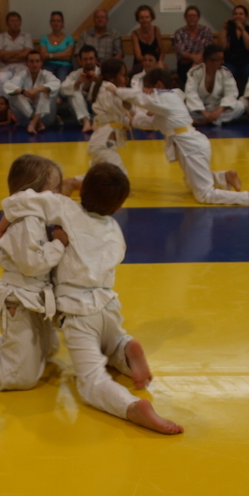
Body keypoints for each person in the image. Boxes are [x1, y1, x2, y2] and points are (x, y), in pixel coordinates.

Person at [40, 162, 181, 434]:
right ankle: (125, 347)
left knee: (91, 381)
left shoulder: (66, 209)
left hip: (78, 313)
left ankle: (131, 407)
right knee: (109, 345)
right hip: (109, 306)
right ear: (118, 208)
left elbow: (52, 197)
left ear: (83, 189)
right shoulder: (114, 229)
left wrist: (70, 186)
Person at [0, 154, 71, 391]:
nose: (58, 194)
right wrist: (58, 244)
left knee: (49, 348)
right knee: (20, 377)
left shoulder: (34, 217)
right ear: (35, 190)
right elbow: (32, 264)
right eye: (54, 188)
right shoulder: (26, 220)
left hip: (34, 298)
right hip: (18, 301)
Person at [118, 68, 249, 206]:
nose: (145, 92)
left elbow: (140, 99)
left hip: (190, 146)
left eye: (147, 89)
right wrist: (128, 117)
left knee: (204, 195)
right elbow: (147, 121)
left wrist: (116, 90)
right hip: (189, 144)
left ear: (158, 85)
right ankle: (223, 177)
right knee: (191, 183)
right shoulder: (165, 106)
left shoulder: (166, 96)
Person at [86, 58, 132, 166]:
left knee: (98, 175)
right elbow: (121, 106)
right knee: (118, 173)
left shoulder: (106, 87)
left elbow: (122, 111)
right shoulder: (109, 89)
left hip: (101, 144)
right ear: (112, 77)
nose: (126, 79)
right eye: (123, 75)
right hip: (104, 145)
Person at [184, 46, 246, 125]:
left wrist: (219, 110)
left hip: (217, 107)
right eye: (219, 59)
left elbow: (231, 93)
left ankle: (204, 121)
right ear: (209, 61)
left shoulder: (226, 72)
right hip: (199, 110)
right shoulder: (194, 72)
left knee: (240, 106)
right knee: (182, 108)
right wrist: (203, 112)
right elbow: (191, 93)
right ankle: (215, 120)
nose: (223, 62)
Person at [5, 50, 60, 134]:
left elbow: (56, 84)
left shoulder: (46, 74)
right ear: (26, 63)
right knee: (14, 94)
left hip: (45, 118)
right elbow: (7, 86)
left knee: (46, 92)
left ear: (41, 63)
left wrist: (36, 90)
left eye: (37, 61)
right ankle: (36, 122)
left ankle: (34, 123)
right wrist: (23, 92)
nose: (34, 64)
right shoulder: (22, 74)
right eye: (31, 61)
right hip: (25, 119)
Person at [60, 45, 102, 130]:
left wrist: (99, 81)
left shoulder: (102, 73)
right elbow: (62, 90)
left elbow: (112, 88)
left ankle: (97, 122)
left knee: (103, 91)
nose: (88, 62)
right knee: (74, 93)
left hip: (99, 113)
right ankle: (86, 121)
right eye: (85, 59)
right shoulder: (75, 74)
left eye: (91, 59)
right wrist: (77, 83)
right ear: (80, 60)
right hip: (80, 112)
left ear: (96, 59)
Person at [221, 4, 249, 89]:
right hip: (231, 62)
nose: (238, 16)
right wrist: (225, 29)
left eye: (241, 14)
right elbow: (223, 45)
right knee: (225, 72)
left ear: (246, 17)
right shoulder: (229, 30)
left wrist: (242, 30)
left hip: (248, 62)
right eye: (236, 14)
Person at [0, 11, 33, 97]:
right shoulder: (1, 37)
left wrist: (7, 55)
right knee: (2, 79)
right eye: (12, 21)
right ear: (7, 23)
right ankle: (3, 102)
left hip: (21, 67)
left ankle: (18, 104)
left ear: (20, 22)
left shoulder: (26, 36)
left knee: (20, 81)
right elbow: (0, 55)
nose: (15, 23)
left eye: (17, 21)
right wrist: (19, 51)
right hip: (4, 67)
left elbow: (26, 54)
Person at [172, 5, 214, 85]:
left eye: (194, 15)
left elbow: (209, 48)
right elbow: (181, 51)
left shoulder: (206, 30)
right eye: (189, 16)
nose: (192, 17)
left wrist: (198, 59)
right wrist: (194, 57)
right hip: (185, 63)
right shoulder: (179, 32)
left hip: (203, 61)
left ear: (198, 17)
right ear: (185, 18)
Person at [40, 11, 76, 81]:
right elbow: (43, 56)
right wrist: (62, 55)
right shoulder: (44, 39)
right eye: (53, 21)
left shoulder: (69, 39)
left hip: (64, 66)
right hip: (48, 65)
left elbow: (68, 56)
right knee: (47, 82)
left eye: (58, 21)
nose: (56, 23)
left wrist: (50, 55)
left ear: (62, 23)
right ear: (50, 23)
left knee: (61, 82)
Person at [130, 5, 163, 75]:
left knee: (164, 69)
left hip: (155, 61)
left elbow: (162, 51)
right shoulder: (134, 34)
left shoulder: (156, 30)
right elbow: (138, 57)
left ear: (151, 18)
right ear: (138, 20)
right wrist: (149, 62)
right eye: (141, 18)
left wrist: (159, 61)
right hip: (141, 63)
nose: (144, 20)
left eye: (147, 17)